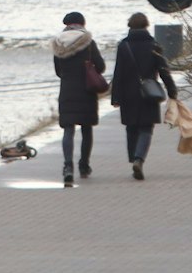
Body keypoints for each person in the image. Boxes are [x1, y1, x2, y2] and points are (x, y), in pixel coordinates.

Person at [111, 12, 178, 180]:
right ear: (146, 26)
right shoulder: (154, 45)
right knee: (146, 128)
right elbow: (163, 70)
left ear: (130, 26)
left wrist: (115, 97)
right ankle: (139, 159)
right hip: (149, 92)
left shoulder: (123, 46)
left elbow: (118, 73)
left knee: (131, 127)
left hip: (128, 93)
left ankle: (133, 157)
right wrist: (171, 90)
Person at [52, 11, 105, 187]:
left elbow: (58, 71)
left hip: (67, 91)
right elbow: (101, 66)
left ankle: (68, 167)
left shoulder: (58, 44)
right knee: (86, 129)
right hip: (86, 91)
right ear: (82, 24)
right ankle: (84, 165)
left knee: (68, 130)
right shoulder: (89, 43)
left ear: (66, 24)